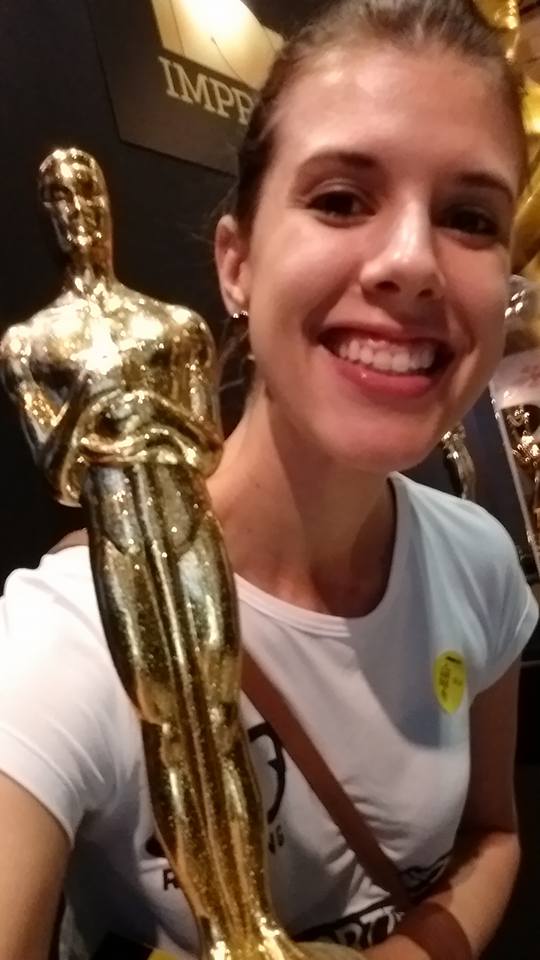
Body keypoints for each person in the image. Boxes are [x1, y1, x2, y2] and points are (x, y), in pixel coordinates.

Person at [0, 1, 536, 959]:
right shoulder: (67, 638)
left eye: (469, 218)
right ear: (237, 264)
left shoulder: (480, 561)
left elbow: (492, 836)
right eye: (341, 199)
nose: (413, 263)